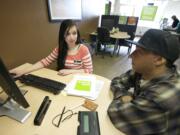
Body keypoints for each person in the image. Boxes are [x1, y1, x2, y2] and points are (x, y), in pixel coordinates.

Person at [108, 29, 180, 135]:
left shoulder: (162, 96)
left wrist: (122, 97)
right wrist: (123, 95)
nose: (131, 55)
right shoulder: (143, 71)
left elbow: (115, 113)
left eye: (139, 52)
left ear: (159, 60)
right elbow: (117, 81)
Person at [10, 19, 93, 76]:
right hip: (63, 80)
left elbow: (89, 71)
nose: (72, 37)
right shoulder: (59, 49)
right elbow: (45, 61)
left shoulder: (83, 50)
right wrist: (22, 71)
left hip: (78, 81)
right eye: (67, 34)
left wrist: (69, 72)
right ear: (62, 35)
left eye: (74, 33)